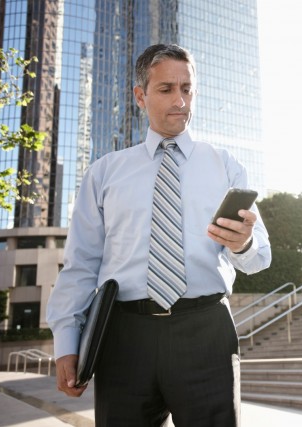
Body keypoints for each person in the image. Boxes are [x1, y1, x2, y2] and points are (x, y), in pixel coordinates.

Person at [46, 43, 271, 426]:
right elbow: (82, 264)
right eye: (167, 89)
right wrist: (67, 342)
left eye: (187, 89)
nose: (180, 100)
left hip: (206, 331)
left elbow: (259, 255)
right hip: (124, 336)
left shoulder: (225, 166)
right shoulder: (105, 173)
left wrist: (243, 242)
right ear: (140, 95)